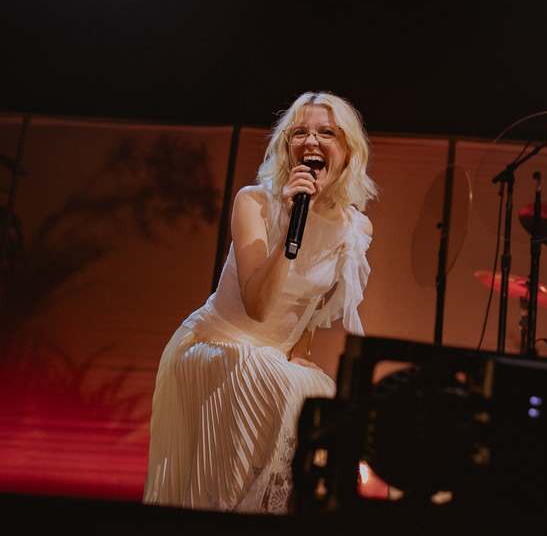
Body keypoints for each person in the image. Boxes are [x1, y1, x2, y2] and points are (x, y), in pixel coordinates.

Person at [143, 91, 378, 513]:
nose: (311, 142)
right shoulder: (254, 203)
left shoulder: (354, 228)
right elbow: (256, 305)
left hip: (274, 357)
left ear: (347, 151)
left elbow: (314, 303)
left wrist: (301, 350)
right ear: (285, 145)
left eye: (327, 132)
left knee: (321, 398)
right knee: (281, 385)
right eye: (299, 132)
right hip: (218, 344)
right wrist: (290, 226)